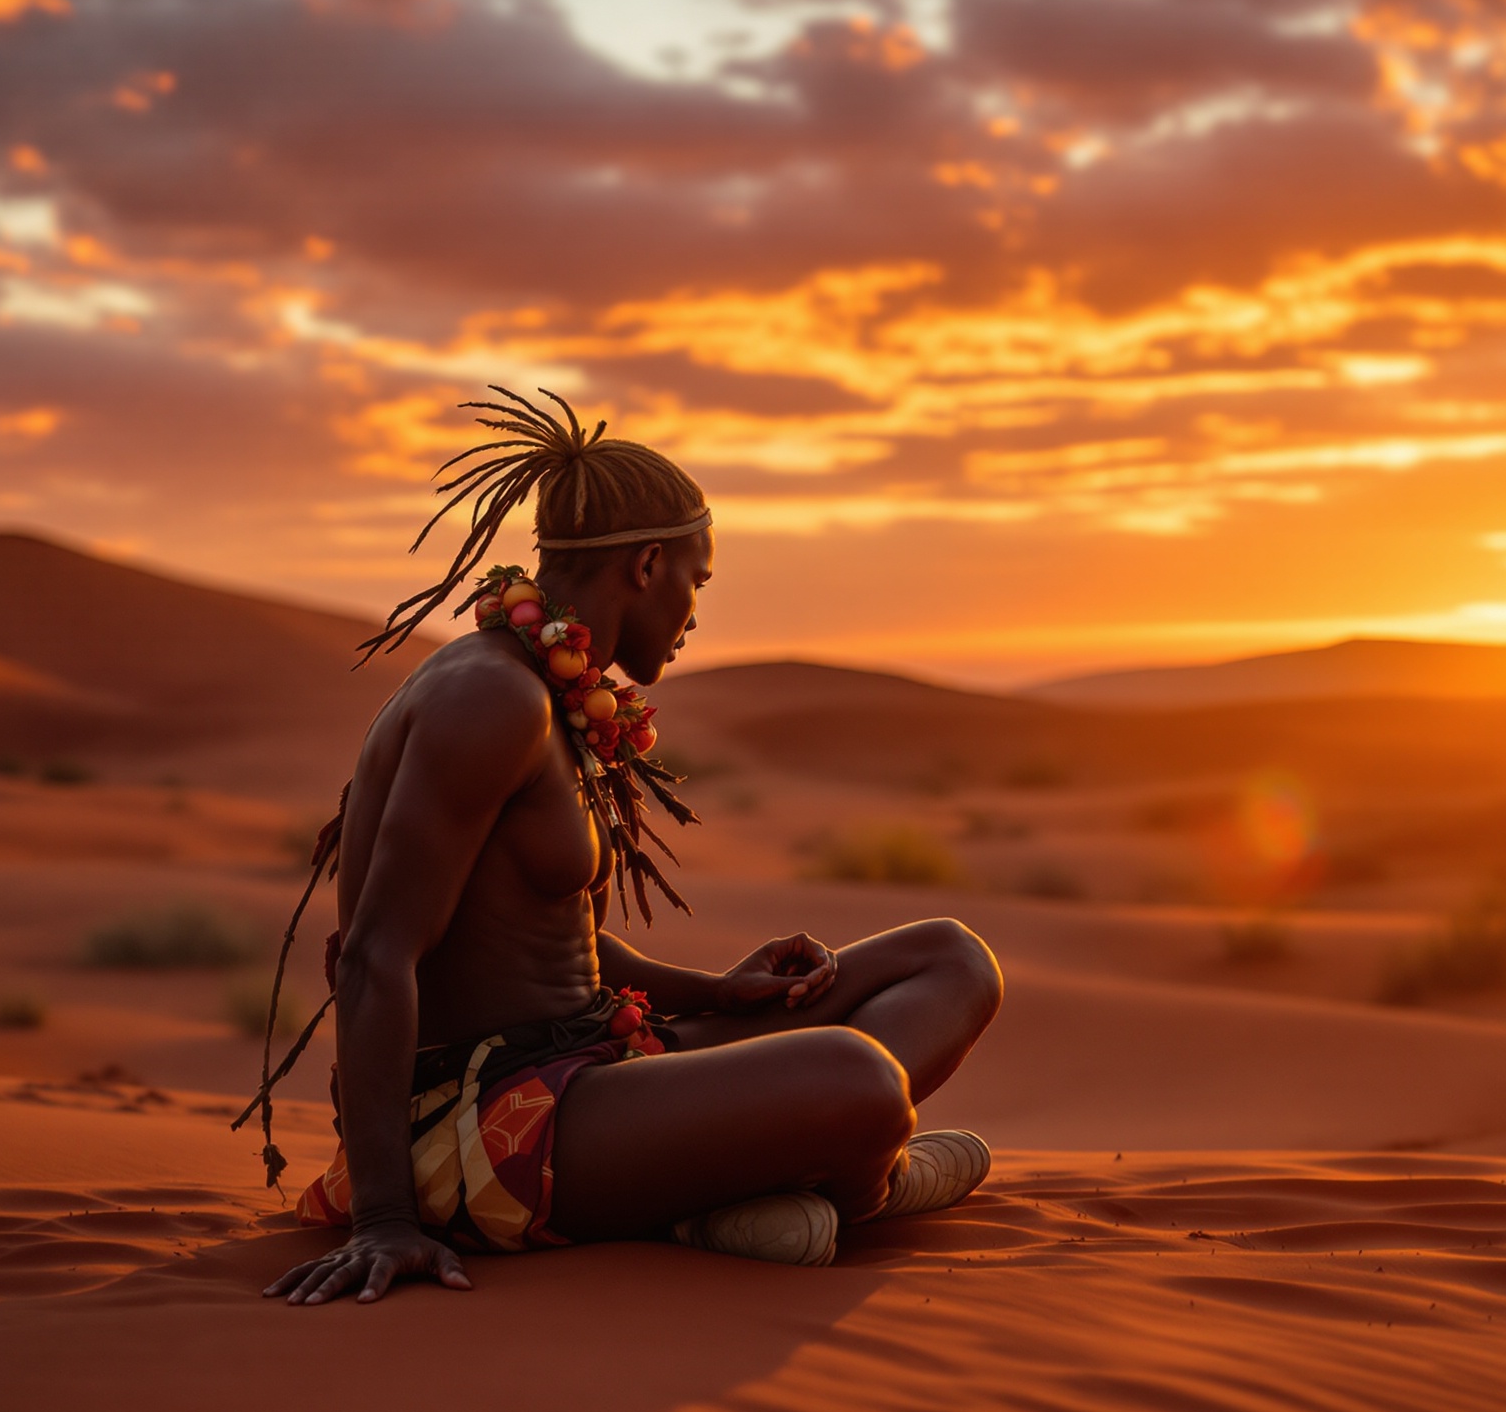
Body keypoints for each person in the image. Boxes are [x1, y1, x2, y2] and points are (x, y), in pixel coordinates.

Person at [264, 388, 1002, 1306]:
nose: (695, 612)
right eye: (697, 580)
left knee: (949, 959)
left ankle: (750, 1197)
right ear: (649, 564)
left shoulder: (543, 688)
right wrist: (383, 1220)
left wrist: (719, 992)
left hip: (600, 1063)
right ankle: (859, 1187)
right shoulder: (490, 699)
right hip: (490, 1126)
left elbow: (540, 939)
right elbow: (376, 958)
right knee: (859, 1079)